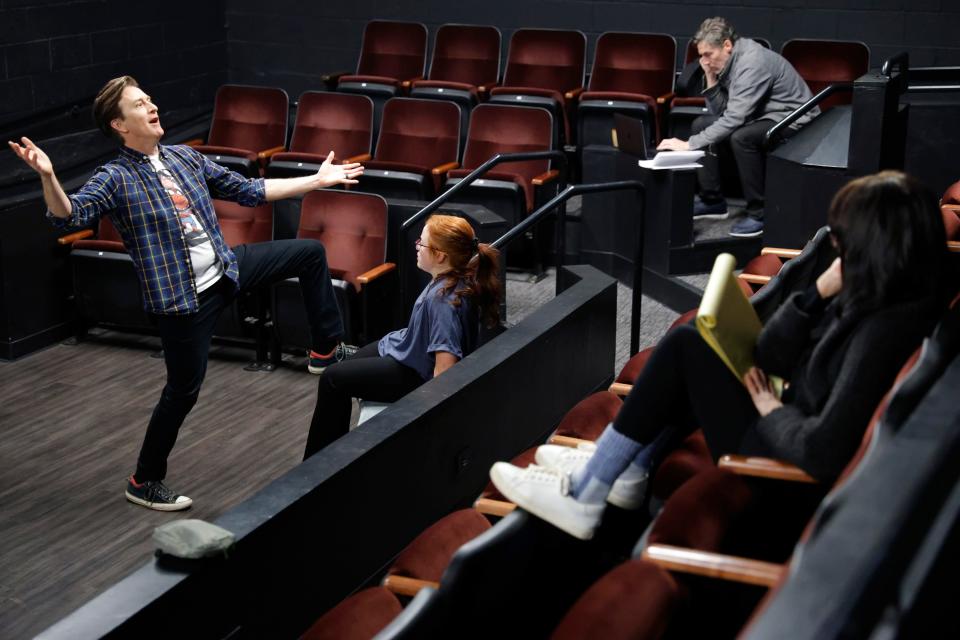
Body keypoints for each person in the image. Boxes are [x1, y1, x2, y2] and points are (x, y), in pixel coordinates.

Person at [490, 171, 950, 540]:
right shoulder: (871, 294)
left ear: (877, 248)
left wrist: (770, 410)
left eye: (846, 241)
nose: (836, 247)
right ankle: (619, 468)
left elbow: (822, 451)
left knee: (687, 346)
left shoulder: (882, 331)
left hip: (782, 464)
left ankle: (590, 490)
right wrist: (813, 298)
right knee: (695, 346)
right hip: (782, 420)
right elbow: (772, 355)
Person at [8, 76, 365, 511]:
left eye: (150, 98)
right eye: (140, 104)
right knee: (183, 392)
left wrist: (315, 180)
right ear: (120, 124)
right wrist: (49, 177)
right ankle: (144, 480)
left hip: (226, 271)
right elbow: (69, 216)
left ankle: (325, 350)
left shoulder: (184, 157)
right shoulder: (115, 178)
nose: (153, 106)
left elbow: (250, 191)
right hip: (183, 302)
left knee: (308, 253)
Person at [303, 214, 501, 459]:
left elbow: (445, 367)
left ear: (440, 256)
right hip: (405, 346)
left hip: (415, 372)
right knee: (346, 368)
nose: (417, 246)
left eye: (423, 243)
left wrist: (433, 421)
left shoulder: (443, 302)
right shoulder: (452, 278)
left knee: (332, 379)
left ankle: (318, 465)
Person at [658, 17, 817, 238]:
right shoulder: (727, 62)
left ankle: (759, 212)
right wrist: (710, 77)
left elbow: (734, 118)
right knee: (700, 123)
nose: (704, 61)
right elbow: (720, 112)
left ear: (726, 45)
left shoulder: (752, 62)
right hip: (762, 116)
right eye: (701, 55)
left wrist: (689, 145)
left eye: (708, 55)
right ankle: (712, 200)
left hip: (794, 120)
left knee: (742, 137)